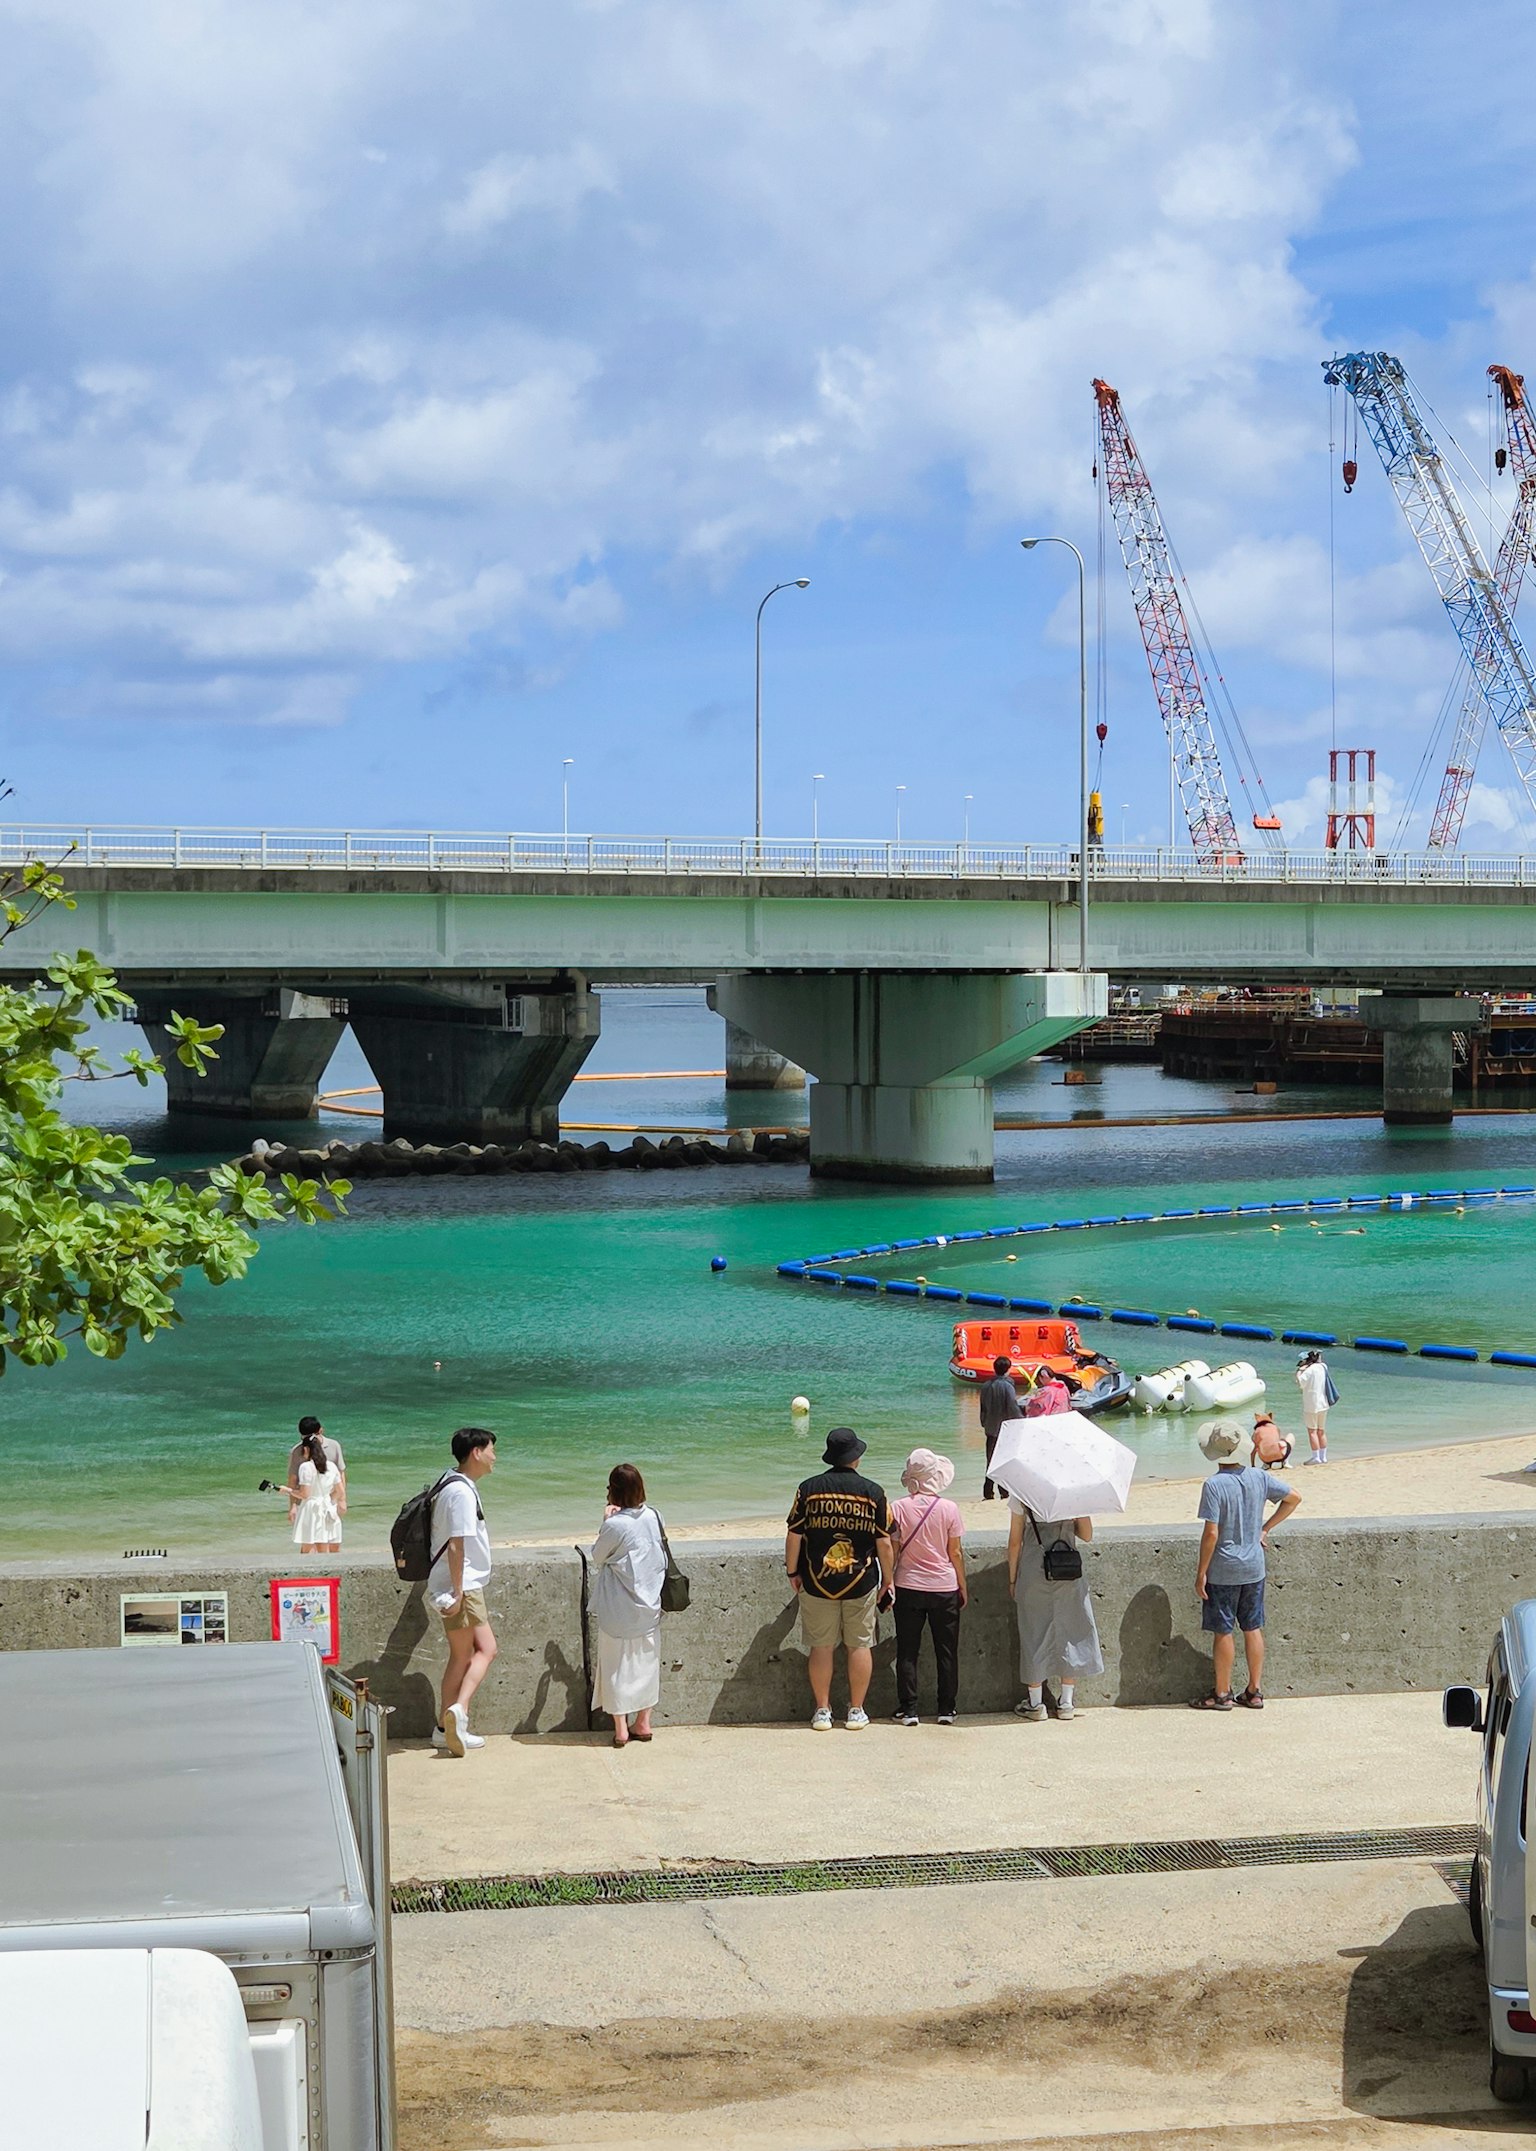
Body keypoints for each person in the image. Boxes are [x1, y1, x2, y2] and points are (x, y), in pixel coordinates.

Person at [785, 1427, 893, 1731]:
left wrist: (793, 1571)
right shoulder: (874, 1492)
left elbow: (794, 1533)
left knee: (821, 1647)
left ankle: (822, 1710)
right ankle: (856, 1710)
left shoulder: (808, 1489)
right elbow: (884, 1541)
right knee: (859, 1645)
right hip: (861, 1581)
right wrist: (888, 1580)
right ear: (856, 1457)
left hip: (817, 1581)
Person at [1192, 1419, 1300, 1713]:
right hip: (1254, 1566)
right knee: (1252, 1627)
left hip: (1224, 1569)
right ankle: (1253, 1691)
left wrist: (1201, 1572)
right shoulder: (1258, 1477)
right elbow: (1293, 1498)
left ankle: (1222, 1693)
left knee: (1223, 1630)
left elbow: (1211, 1533)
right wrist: (1264, 1529)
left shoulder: (1214, 1485)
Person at [428, 1428, 498, 1757]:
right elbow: (457, 1545)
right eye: (491, 1450)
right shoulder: (462, 1494)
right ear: (476, 1453)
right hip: (464, 1585)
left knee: (465, 1655)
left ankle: (445, 1728)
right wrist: (457, 1592)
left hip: (458, 1584)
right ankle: (459, 1713)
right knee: (484, 1651)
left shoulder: (449, 1481)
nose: (494, 1457)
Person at [589, 1463, 666, 1748]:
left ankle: (621, 1728)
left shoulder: (615, 1524)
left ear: (615, 1491)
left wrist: (604, 1520)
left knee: (615, 1665)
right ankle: (643, 1722)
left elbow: (598, 1555)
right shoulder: (655, 1516)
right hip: (650, 1605)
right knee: (646, 1664)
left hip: (618, 1610)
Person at [889, 1449, 966, 1727]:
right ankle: (947, 1708)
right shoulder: (950, 1509)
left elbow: (894, 1550)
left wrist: (887, 1580)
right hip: (944, 1587)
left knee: (907, 1650)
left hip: (907, 1585)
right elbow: (955, 1553)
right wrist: (962, 1585)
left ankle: (909, 1710)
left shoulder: (898, 1507)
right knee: (946, 1650)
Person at [1006, 1497, 1101, 1721]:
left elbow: (1014, 1542)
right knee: (1072, 1630)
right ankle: (1066, 1702)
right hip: (1068, 1572)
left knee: (1033, 1632)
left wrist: (1012, 1580)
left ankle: (1035, 1703)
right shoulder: (1073, 1495)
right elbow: (1087, 1535)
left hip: (1034, 1572)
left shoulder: (1022, 1495)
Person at [288, 1426, 342, 1554]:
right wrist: (330, 1502)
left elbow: (304, 1494)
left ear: (306, 1449)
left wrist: (289, 1491)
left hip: (311, 1507)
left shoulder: (306, 1467)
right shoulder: (331, 1466)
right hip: (326, 1505)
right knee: (323, 1544)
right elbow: (340, 1491)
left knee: (307, 1546)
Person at [977, 1355, 1022, 1499]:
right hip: (1004, 1429)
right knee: (1003, 1460)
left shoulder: (985, 1386)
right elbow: (1012, 1406)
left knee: (990, 1460)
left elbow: (983, 1408)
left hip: (990, 1428)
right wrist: (1021, 1421)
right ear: (1008, 1369)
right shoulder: (1008, 1386)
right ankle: (1003, 1491)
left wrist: (983, 1422)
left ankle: (988, 1491)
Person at [286, 1415, 346, 1521]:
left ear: (320, 1431)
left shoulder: (334, 1446)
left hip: (329, 1500)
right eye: (304, 1437)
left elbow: (340, 1475)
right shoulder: (297, 1451)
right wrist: (293, 1506)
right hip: (305, 1503)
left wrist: (342, 1500)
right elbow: (293, 1480)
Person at [1295, 1350, 1332, 1464]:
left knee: (1312, 1431)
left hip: (1311, 1404)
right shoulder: (1323, 1367)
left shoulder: (1309, 1371)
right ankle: (1323, 1456)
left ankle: (1316, 1457)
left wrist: (1299, 1371)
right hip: (1323, 1403)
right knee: (1321, 1431)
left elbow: (1300, 1382)